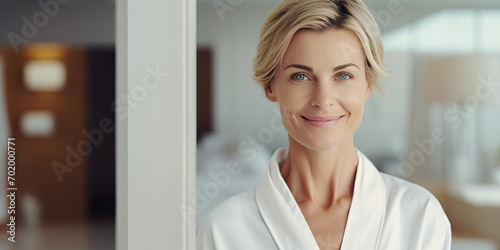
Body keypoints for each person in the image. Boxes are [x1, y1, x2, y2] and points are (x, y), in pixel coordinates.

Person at [197, 0, 452, 249]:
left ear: (368, 84)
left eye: (343, 75)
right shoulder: (224, 230)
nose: (323, 99)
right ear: (270, 86)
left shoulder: (420, 217)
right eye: (300, 76)